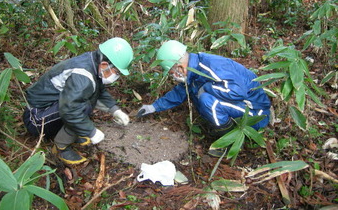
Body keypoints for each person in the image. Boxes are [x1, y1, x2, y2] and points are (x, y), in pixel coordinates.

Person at [137, 40, 271, 156]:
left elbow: (237, 92)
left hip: (256, 113)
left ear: (180, 68)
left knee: (207, 100)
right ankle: (224, 127)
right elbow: (180, 92)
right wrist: (153, 107)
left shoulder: (210, 67)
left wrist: (207, 87)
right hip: (240, 107)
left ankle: (229, 142)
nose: (172, 76)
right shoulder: (194, 69)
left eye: (171, 72)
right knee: (201, 94)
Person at [23, 37, 134, 164]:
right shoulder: (83, 76)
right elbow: (70, 110)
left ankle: (71, 133)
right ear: (105, 65)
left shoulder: (92, 62)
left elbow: (98, 90)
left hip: (48, 109)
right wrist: (91, 131)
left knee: (84, 102)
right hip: (35, 118)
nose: (117, 76)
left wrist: (115, 110)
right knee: (83, 106)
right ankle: (60, 147)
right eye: (117, 72)